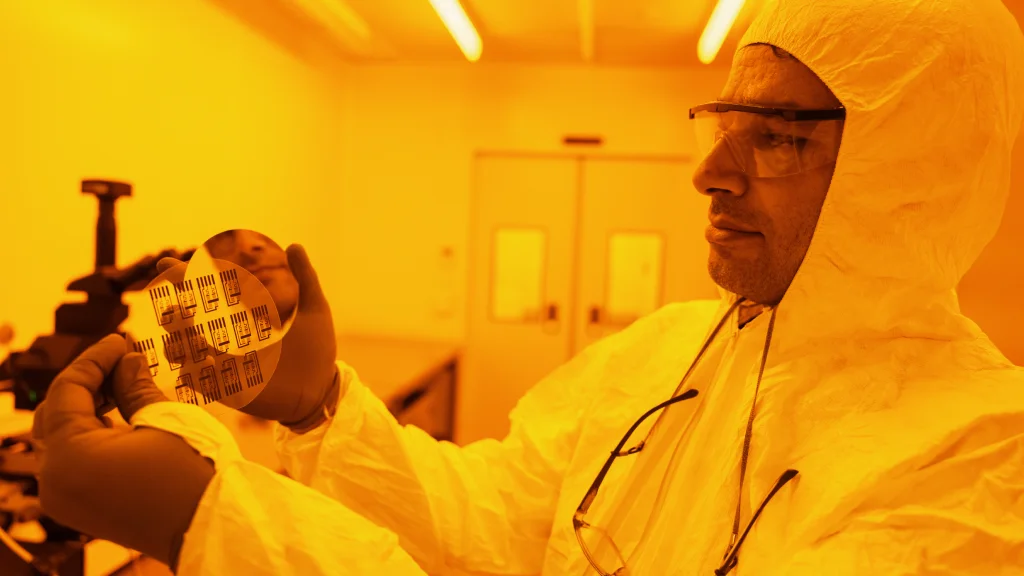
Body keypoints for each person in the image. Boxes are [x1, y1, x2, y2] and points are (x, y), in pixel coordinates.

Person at [29, 0, 1024, 573]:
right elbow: (496, 521)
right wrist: (320, 412)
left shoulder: (977, 468)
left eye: (776, 136)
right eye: (721, 122)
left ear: (907, 171)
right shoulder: (671, 353)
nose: (709, 171)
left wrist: (213, 518)